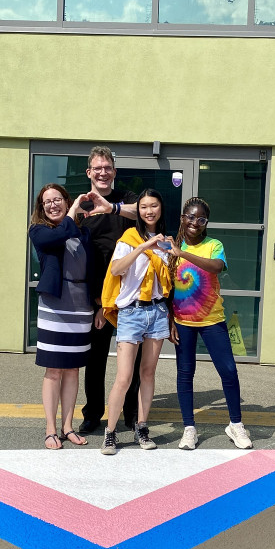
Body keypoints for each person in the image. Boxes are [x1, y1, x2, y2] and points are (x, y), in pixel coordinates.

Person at [168, 197, 252, 450]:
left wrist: (183, 253)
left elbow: (217, 267)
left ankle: (235, 425)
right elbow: (167, 288)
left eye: (201, 219)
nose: (195, 222)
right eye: (191, 217)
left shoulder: (213, 245)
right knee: (185, 373)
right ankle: (189, 428)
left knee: (228, 371)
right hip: (182, 321)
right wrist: (169, 320)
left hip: (212, 319)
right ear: (183, 218)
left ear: (206, 223)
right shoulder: (171, 247)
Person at [99, 189, 173, 455]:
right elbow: (117, 269)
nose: (149, 211)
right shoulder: (129, 239)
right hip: (131, 312)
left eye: (153, 206)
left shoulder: (167, 243)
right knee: (124, 377)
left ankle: (142, 427)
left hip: (157, 312)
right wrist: (143, 247)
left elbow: (170, 283)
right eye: (143, 207)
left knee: (148, 373)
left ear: (161, 209)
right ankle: (110, 432)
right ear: (138, 211)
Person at [28, 184, 101, 449]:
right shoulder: (40, 231)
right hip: (54, 307)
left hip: (80, 307)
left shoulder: (83, 233)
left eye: (57, 199)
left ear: (66, 200)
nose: (52, 205)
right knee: (54, 370)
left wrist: (98, 305)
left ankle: (68, 426)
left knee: (72, 370)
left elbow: (91, 269)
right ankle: (50, 429)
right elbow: (57, 237)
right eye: (47, 202)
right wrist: (73, 211)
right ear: (41, 208)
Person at [76, 146, 141, 436]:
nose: (103, 172)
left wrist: (111, 206)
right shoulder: (82, 205)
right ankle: (93, 414)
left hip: (128, 296)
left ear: (114, 171)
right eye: (97, 168)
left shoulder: (126, 200)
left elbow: (142, 212)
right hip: (97, 296)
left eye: (108, 168)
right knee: (96, 359)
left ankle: (130, 413)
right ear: (89, 172)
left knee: (133, 360)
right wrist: (98, 302)